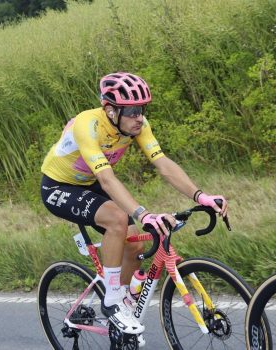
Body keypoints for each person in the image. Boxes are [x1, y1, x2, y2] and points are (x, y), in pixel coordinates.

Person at [40, 72, 228, 336]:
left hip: (91, 183)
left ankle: (121, 295)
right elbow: (106, 179)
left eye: (142, 109)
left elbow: (163, 164)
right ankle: (112, 301)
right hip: (59, 186)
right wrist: (143, 214)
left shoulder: (136, 125)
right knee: (118, 219)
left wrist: (201, 196)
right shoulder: (88, 124)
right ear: (110, 110)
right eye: (132, 111)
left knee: (135, 244)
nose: (139, 117)